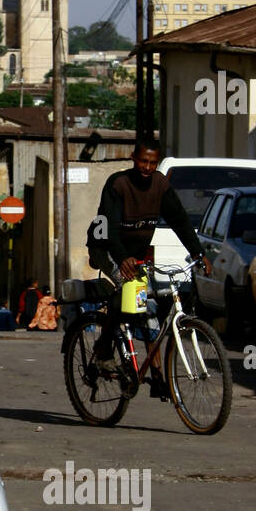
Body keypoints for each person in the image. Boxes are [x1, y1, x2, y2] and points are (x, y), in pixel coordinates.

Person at [88, 139, 211, 374]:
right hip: (106, 246)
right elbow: (110, 228)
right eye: (143, 161)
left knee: (148, 305)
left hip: (135, 254)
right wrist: (122, 258)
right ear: (134, 158)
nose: (147, 167)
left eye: (153, 163)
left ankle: (154, 371)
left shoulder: (160, 185)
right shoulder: (118, 184)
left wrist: (198, 252)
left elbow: (180, 220)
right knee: (128, 290)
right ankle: (104, 350)